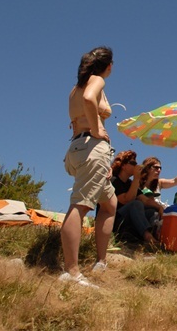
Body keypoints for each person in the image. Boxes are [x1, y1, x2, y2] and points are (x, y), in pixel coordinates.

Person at [61, 46, 117, 288]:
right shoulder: (96, 81)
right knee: (81, 205)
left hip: (77, 149)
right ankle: (72, 272)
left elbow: (81, 104)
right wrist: (96, 129)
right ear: (108, 66)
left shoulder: (75, 88)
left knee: (109, 203)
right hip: (91, 146)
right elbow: (89, 100)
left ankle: (101, 261)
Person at [109, 150, 159, 245]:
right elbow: (126, 200)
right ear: (123, 165)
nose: (136, 165)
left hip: (127, 220)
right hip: (114, 221)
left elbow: (145, 200)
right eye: (133, 163)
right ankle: (147, 236)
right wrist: (136, 178)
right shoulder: (114, 180)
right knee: (135, 204)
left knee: (151, 211)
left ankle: (150, 234)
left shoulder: (130, 183)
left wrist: (159, 208)